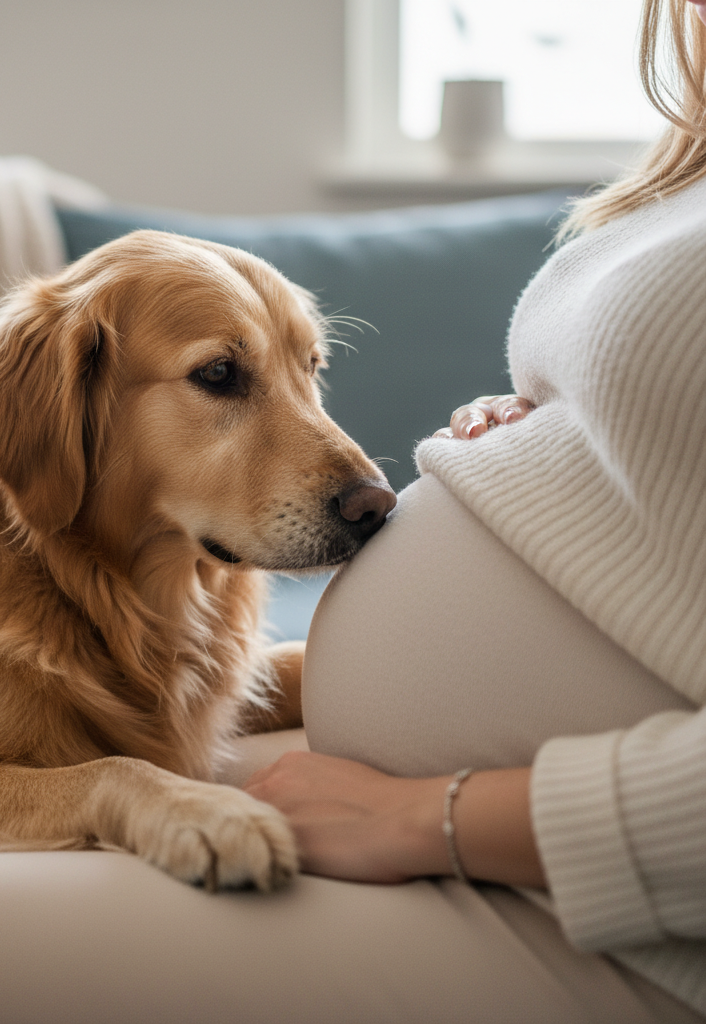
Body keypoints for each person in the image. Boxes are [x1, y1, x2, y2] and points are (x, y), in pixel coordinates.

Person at [0, 2, 703, 1022]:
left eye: (310, 369)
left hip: (591, 878)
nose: (353, 475)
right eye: (222, 377)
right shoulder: (677, 160)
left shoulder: (194, 574)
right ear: (58, 419)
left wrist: (425, 812)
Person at [245, 0, 706, 1017]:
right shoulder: (688, 171)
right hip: (444, 811)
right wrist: (560, 433)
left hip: (605, 912)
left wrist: (426, 817)